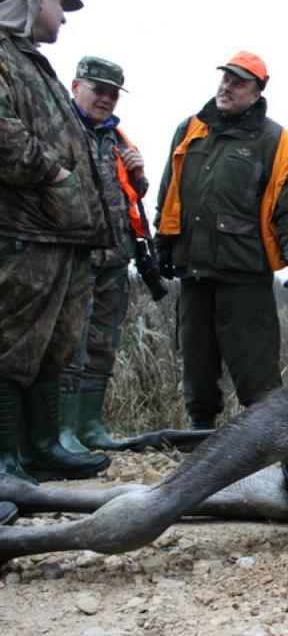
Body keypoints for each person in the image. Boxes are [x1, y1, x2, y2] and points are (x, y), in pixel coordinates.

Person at [153, 51, 288, 430]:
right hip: (192, 264)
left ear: (257, 92)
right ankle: (201, 429)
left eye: (239, 82)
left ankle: (267, 435)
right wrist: (164, 238)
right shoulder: (189, 129)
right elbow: (170, 190)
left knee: (255, 359)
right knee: (197, 355)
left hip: (244, 268)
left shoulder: (277, 141)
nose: (227, 87)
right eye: (225, 78)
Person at [0, 0, 112, 482]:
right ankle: (5, 458)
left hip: (63, 234)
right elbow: (6, 138)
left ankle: (42, 447)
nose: (62, 18)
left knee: (52, 347)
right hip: (22, 231)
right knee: (11, 343)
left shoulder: (31, 61)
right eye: (56, 3)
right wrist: (57, 174)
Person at [56, 56, 147, 453]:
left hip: (115, 259)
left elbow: (130, 196)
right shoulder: (60, 129)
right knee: (68, 344)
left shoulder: (118, 139)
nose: (106, 100)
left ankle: (90, 426)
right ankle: (62, 431)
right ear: (76, 87)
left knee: (103, 344)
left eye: (112, 94)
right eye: (99, 91)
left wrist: (140, 176)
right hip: (73, 257)